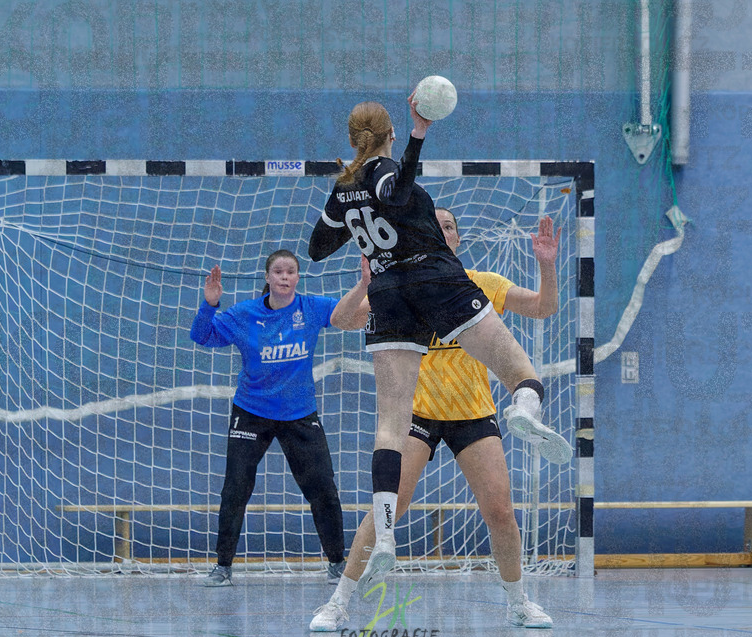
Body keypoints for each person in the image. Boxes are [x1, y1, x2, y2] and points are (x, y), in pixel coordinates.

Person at [309, 94, 569, 593]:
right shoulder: (386, 171)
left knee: (389, 426)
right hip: (433, 293)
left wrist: (362, 237)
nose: (443, 226)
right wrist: (419, 132)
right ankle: (525, 407)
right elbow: (398, 188)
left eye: (450, 225)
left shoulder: (343, 190)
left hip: (394, 298)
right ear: (386, 135)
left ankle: (388, 540)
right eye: (441, 222)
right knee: (519, 369)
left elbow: (317, 248)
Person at [190, 249, 369, 587]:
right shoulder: (244, 314)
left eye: (291, 272)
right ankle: (223, 567)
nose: (285, 277)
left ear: (298, 278)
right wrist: (210, 304)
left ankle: (335, 562)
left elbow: (352, 317)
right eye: (278, 272)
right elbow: (202, 336)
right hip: (251, 411)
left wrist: (366, 287)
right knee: (235, 489)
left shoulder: (311, 307)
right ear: (268, 278)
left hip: (299, 414)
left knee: (323, 489)